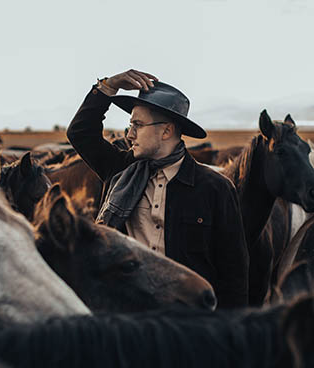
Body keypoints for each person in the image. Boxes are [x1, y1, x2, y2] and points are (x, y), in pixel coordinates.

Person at [67, 69, 248, 308]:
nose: (129, 135)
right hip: (124, 312)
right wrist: (108, 86)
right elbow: (80, 133)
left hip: (185, 321)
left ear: (166, 131)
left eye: (138, 125)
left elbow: (233, 273)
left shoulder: (214, 188)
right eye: (130, 125)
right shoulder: (120, 170)